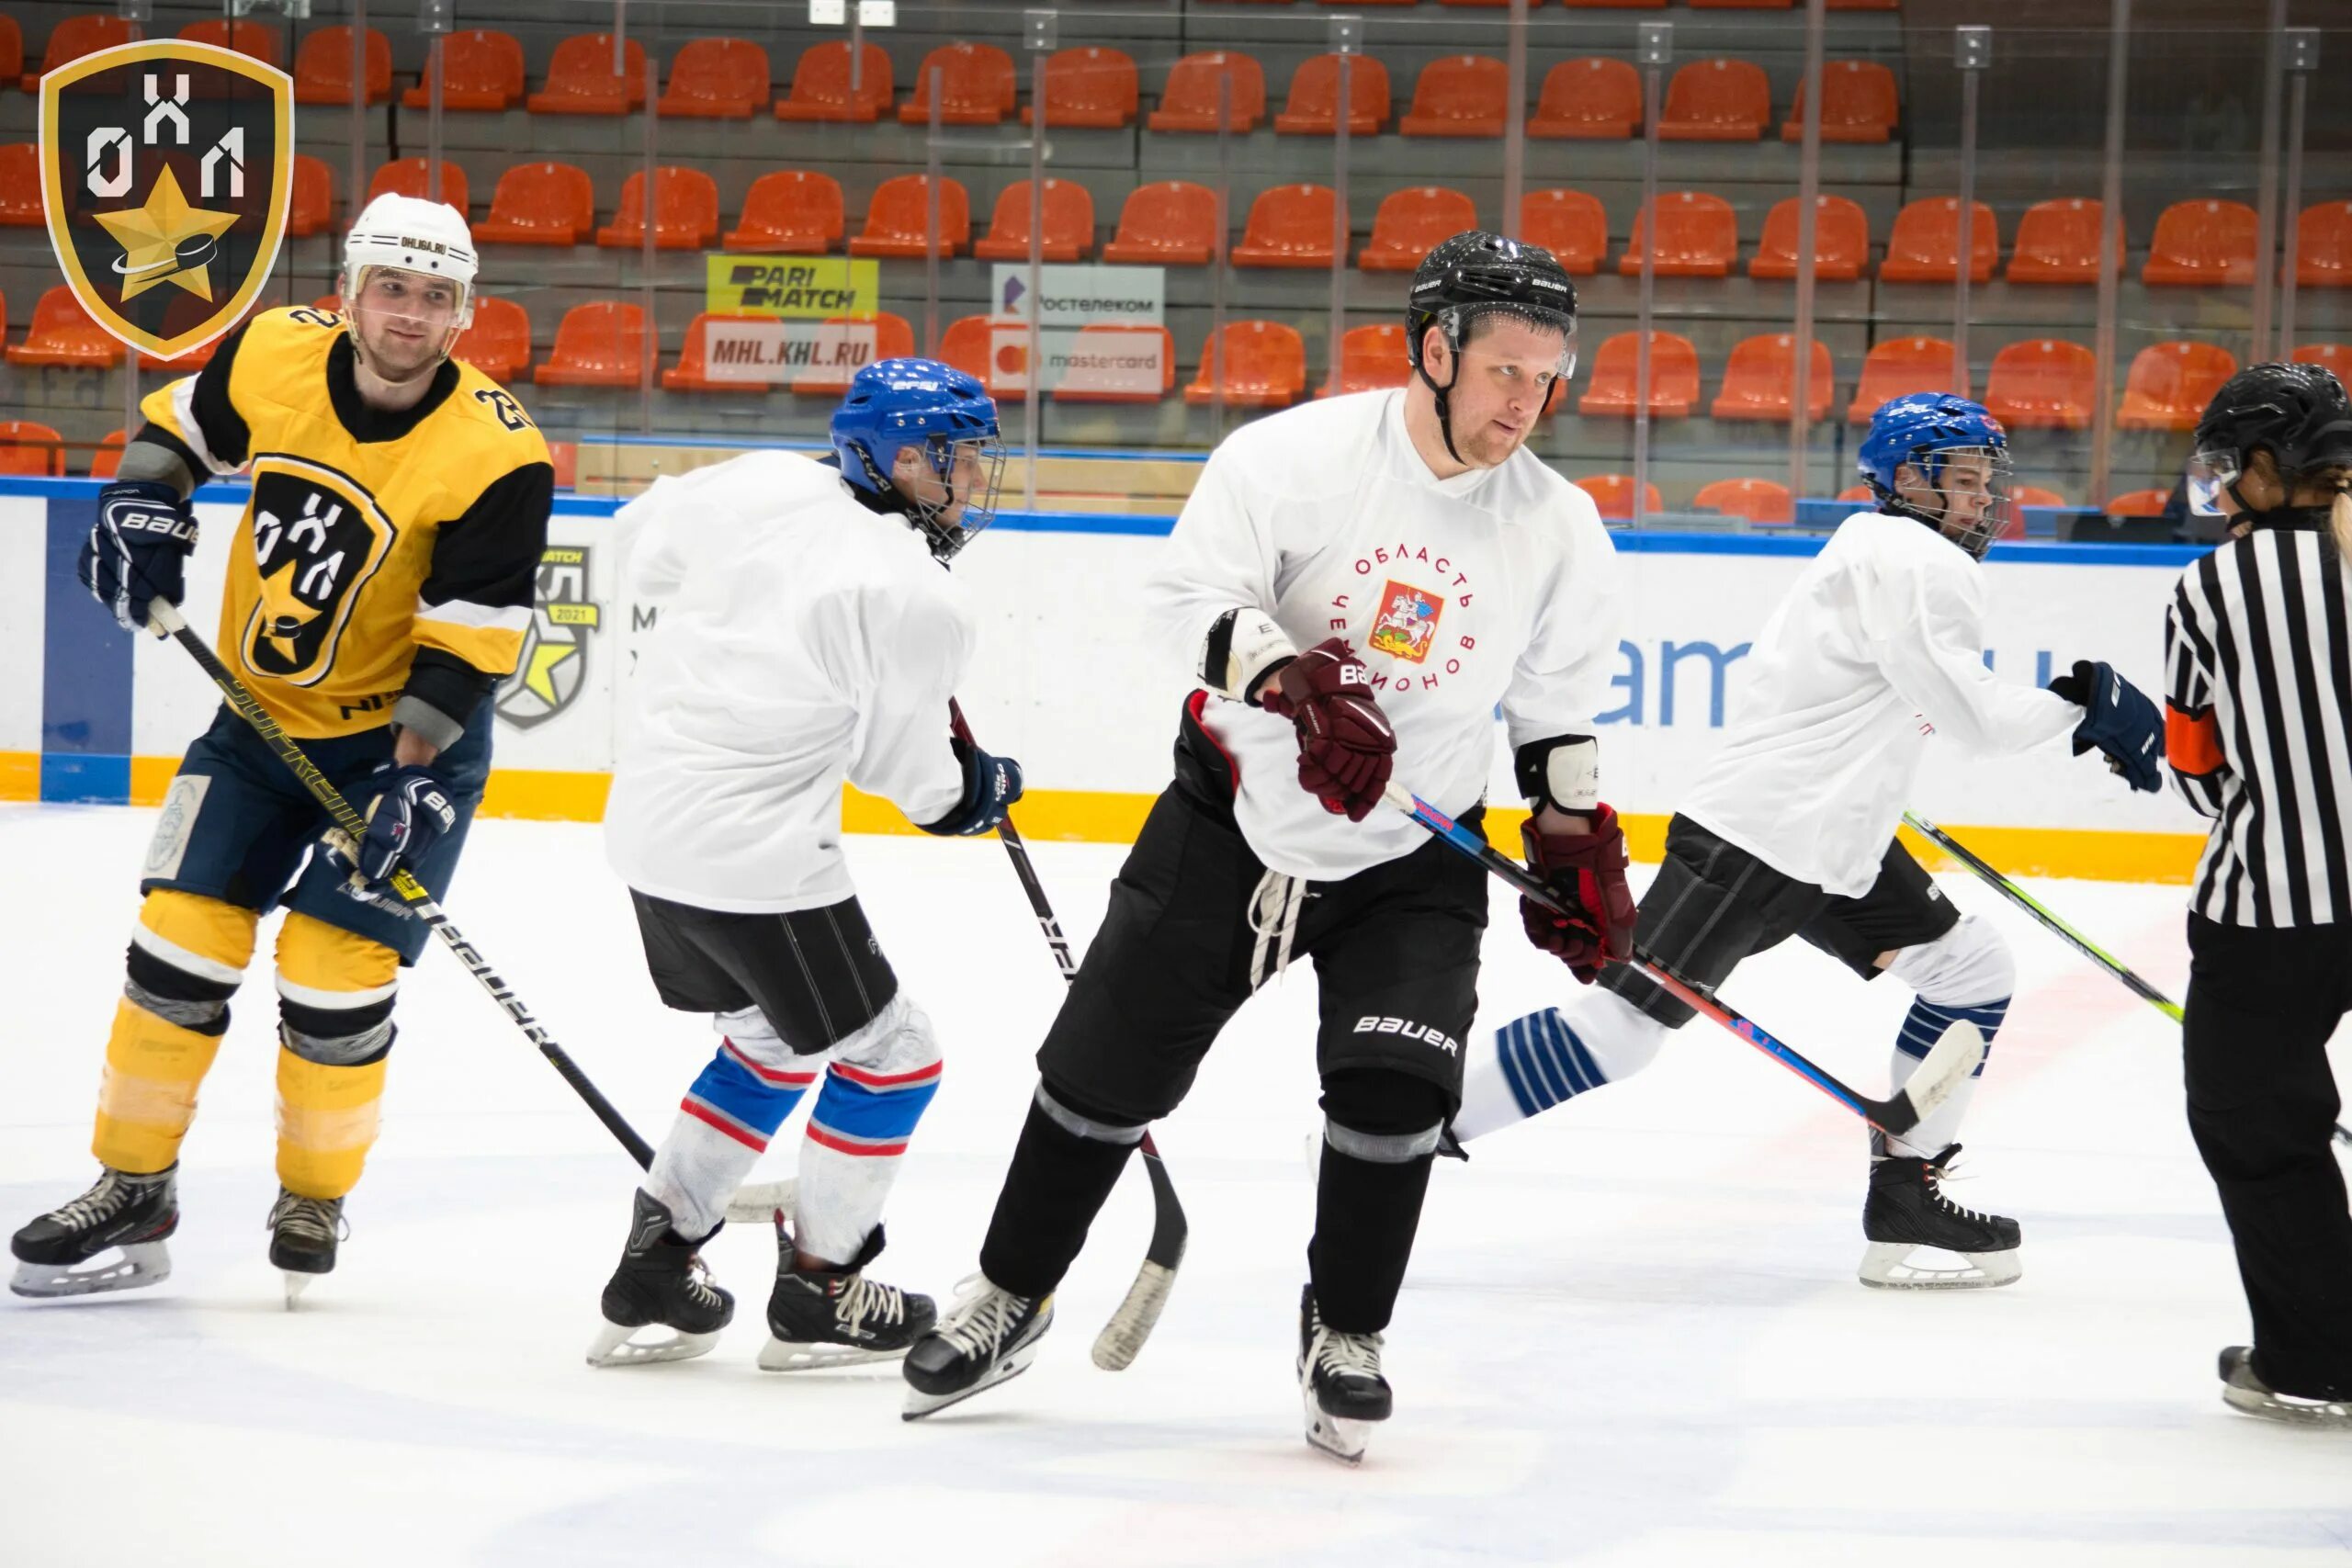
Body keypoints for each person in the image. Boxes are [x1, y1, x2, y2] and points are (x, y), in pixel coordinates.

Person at [899, 231, 1634, 1463]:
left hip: (1414, 859)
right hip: (1230, 823)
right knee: (1096, 1079)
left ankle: (1346, 1330)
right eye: (1507, 370)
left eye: (1549, 377)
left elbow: (1556, 712)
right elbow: (1185, 599)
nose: (1528, 401)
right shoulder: (1293, 459)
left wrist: (1574, 852)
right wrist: (1295, 682)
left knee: (1398, 1099)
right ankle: (1009, 1288)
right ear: (1436, 348)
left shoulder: (1558, 525)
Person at [1453, 393, 2165, 1290]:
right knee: (1624, 1032)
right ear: (1909, 479)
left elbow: (1849, 695)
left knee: (1970, 971)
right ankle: (1420, 1114)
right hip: (1764, 840)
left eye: (1990, 482)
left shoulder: (1879, 551)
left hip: (1830, 843)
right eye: (1967, 481)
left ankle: (1907, 1195)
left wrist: (1867, 773)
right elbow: (1979, 720)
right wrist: (2082, 704)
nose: (1984, 501)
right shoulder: (1912, 559)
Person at [9, 194, 552, 1304]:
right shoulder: (269, 348)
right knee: (179, 945)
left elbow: (467, 648)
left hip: (408, 746)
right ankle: (134, 1186)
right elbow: (178, 433)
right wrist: (141, 504)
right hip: (258, 724)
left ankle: (314, 1192)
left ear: (466, 316)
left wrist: (407, 781)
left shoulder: (500, 453)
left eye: (435, 297)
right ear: (346, 291)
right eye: (391, 288)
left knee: (331, 974)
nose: (409, 315)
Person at [587, 358, 1020, 1370]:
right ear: (902, 459)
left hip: (647, 832)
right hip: (755, 861)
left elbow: (634, 542)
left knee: (771, 1045)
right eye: (960, 463)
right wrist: (976, 788)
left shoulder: (762, 480)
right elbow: (908, 779)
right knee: (893, 1056)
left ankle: (654, 1265)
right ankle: (824, 1285)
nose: (975, 484)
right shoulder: (911, 592)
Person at [2165, 361, 2352, 1427]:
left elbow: (2198, 767)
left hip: (2269, 912)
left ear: (2276, 468)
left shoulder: (2208, 587)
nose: (2223, 489)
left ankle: (2318, 1354)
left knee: (2257, 1127)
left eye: (2231, 468)